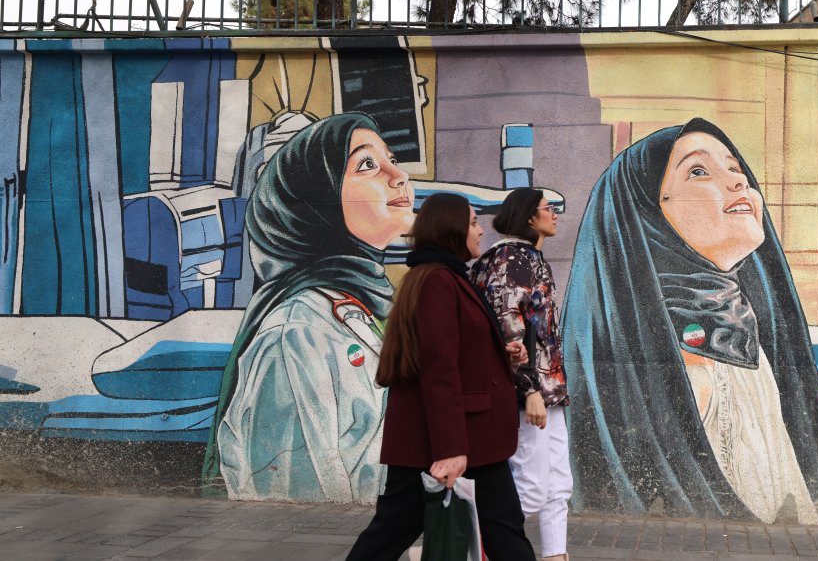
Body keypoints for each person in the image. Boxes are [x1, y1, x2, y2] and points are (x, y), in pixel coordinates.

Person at [561, 118, 818, 524]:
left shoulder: (750, 331)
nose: (739, 183)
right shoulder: (649, 351)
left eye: (736, 168)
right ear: (650, 214)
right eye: (699, 171)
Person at [202, 113, 414, 504]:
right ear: (317, 203)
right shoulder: (296, 334)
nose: (398, 176)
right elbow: (291, 496)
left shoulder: (359, 310)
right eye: (367, 164)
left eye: (392, 160)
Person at [348, 192, 537, 560]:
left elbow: (455, 352)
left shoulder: (442, 276)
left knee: (501, 530)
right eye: (471, 222)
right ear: (450, 229)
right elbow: (439, 368)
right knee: (395, 531)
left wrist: (502, 354)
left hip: (459, 438)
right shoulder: (438, 281)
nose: (481, 231)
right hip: (455, 440)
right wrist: (451, 450)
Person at [470, 187, 570, 561]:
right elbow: (508, 326)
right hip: (528, 391)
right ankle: (465, 542)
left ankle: (556, 555)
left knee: (559, 484)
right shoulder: (511, 259)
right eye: (549, 208)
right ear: (530, 217)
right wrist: (527, 388)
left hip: (550, 388)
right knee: (531, 487)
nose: (555, 214)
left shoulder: (531, 257)